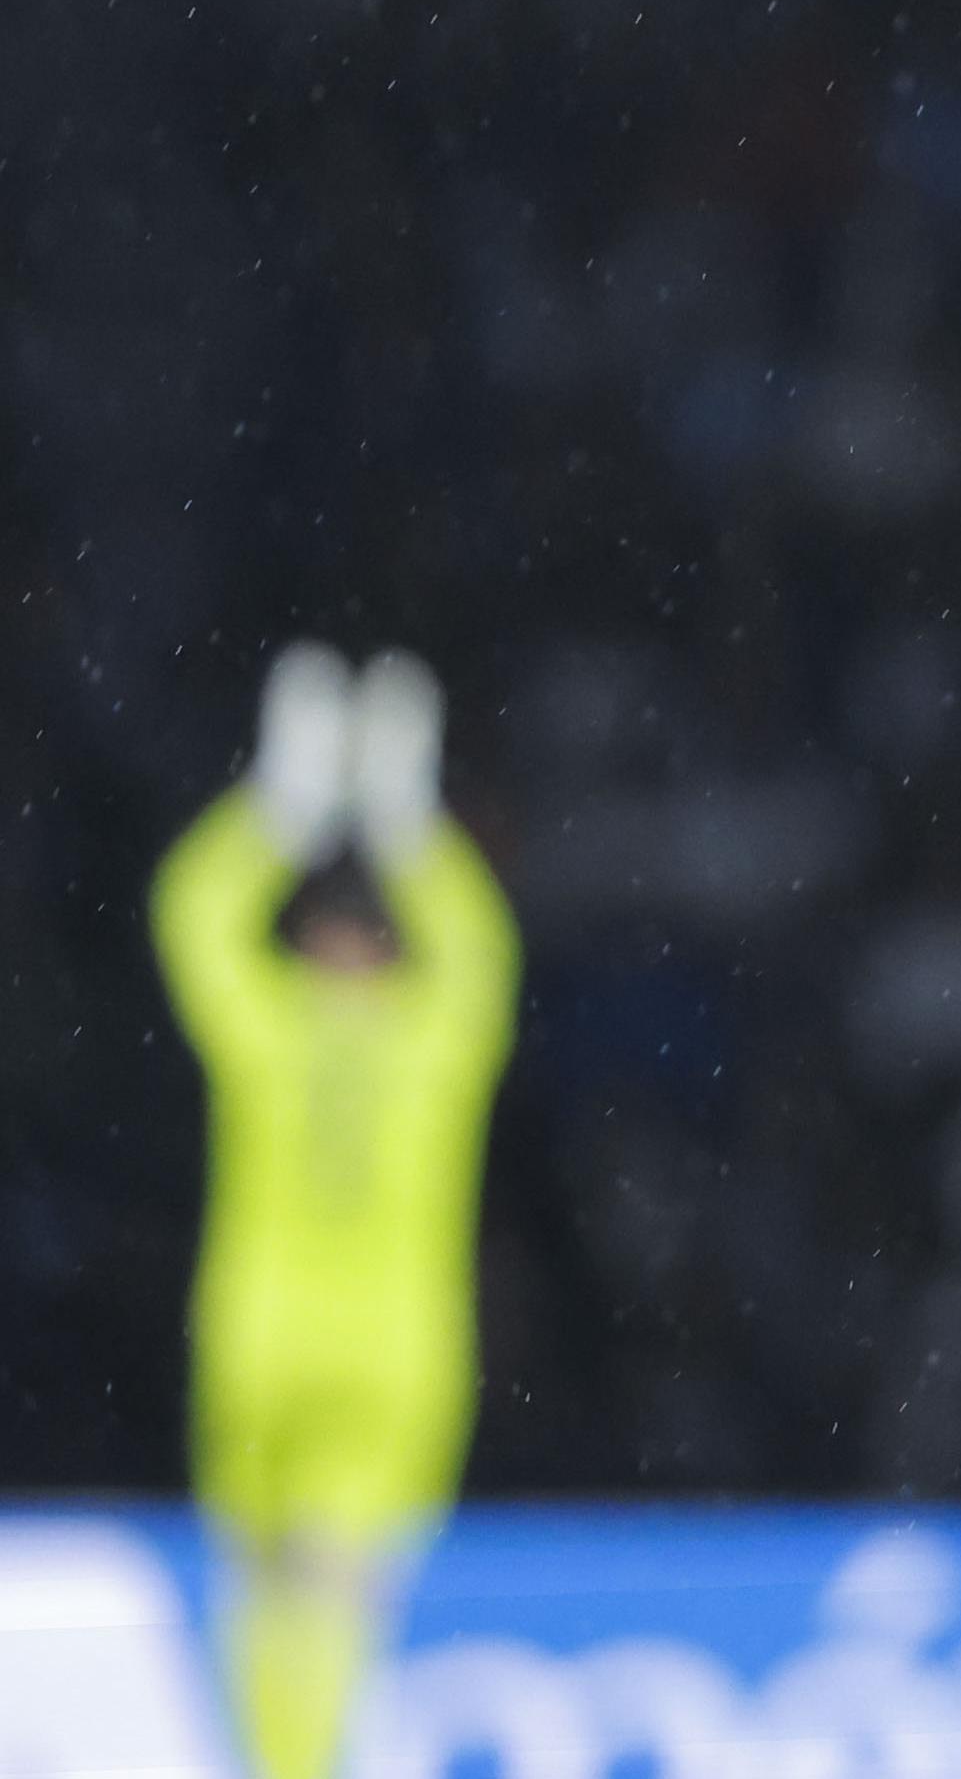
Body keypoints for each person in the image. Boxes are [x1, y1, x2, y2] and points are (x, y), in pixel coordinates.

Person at [155, 642, 517, 1779]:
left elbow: (197, 916)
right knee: (287, 1594)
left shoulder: (329, 1034)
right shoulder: (410, 1040)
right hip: (328, 1344)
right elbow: (476, 951)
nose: (347, 958)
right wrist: (395, 830)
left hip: (308, 1344)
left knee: (306, 1585)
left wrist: (285, 815)